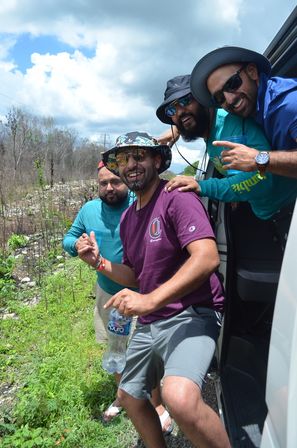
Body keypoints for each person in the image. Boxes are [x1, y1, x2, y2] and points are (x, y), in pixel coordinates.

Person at [77, 131, 231, 448]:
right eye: (123, 160)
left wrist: (149, 301)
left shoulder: (176, 197)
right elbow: (136, 275)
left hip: (192, 310)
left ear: (157, 160)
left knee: (179, 398)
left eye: (139, 157)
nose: (130, 165)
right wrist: (99, 263)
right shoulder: (129, 221)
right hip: (152, 320)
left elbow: (207, 258)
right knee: (130, 397)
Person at [62, 161, 172, 432]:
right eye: (103, 183)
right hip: (107, 293)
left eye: (115, 182)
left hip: (142, 291)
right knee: (115, 347)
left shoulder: (140, 204)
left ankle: (156, 403)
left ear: (125, 180)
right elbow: (69, 237)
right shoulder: (89, 210)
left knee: (148, 350)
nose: (109, 188)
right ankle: (123, 395)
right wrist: (76, 244)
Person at [156, 75, 297, 249]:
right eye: (172, 110)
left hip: (289, 209)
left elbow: (260, 179)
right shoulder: (209, 129)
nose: (179, 112)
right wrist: (180, 126)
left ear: (202, 99)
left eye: (185, 101)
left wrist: (201, 186)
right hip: (266, 213)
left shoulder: (230, 122)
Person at [190, 46, 297, 180]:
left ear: (252, 72)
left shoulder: (287, 104)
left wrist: (258, 159)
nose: (229, 99)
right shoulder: (256, 108)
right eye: (219, 98)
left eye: (232, 84)